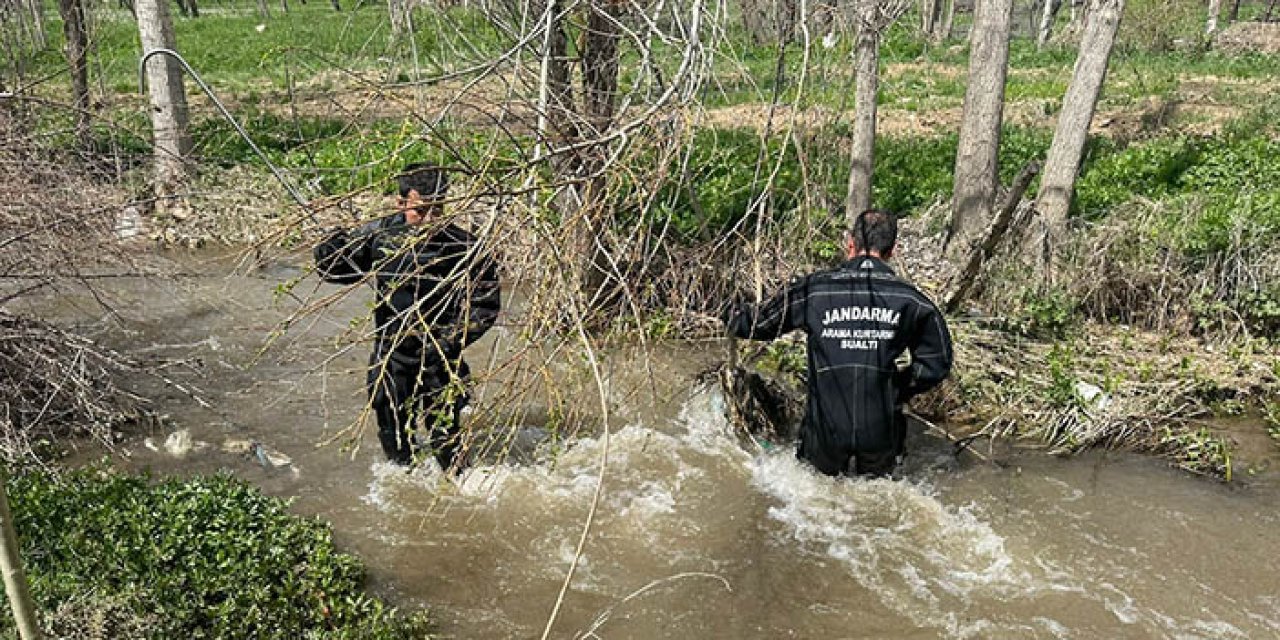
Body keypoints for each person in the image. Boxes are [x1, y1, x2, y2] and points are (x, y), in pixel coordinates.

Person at [725, 208, 953, 477]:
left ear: (850, 245)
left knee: (817, 505)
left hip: (825, 429)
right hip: (880, 427)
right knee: (876, 502)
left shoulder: (815, 289)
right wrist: (895, 387)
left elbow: (756, 325)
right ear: (893, 251)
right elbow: (937, 362)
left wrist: (726, 307)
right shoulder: (912, 300)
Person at [314, 163, 500, 472]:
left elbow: (485, 306)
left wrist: (450, 340)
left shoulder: (463, 247)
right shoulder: (379, 235)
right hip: (392, 355)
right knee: (396, 444)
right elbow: (338, 270)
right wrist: (329, 250)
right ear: (401, 204)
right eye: (420, 211)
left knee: (447, 446)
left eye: (437, 210)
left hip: (442, 356)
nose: (429, 220)